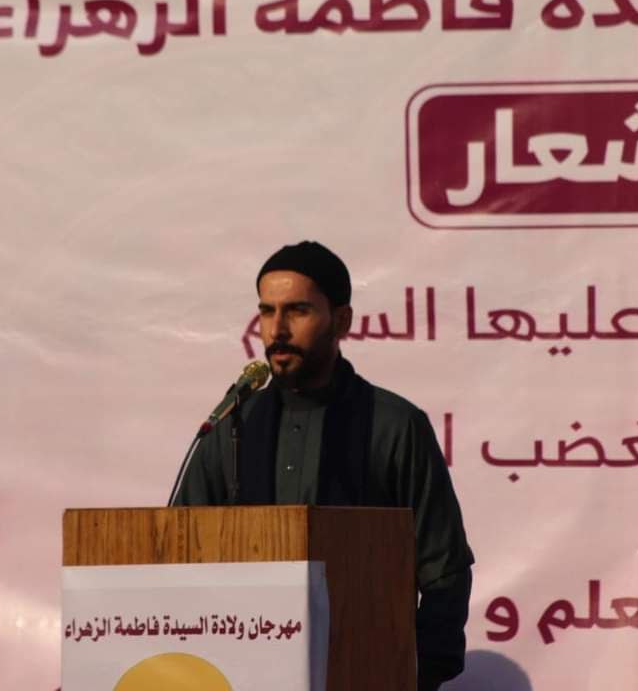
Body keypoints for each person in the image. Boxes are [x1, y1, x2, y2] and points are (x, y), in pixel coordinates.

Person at [172, 241, 473, 690]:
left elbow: (443, 569)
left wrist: (411, 672)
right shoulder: (233, 427)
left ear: (342, 320)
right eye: (267, 312)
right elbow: (180, 556)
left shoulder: (393, 425)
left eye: (298, 311)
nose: (277, 330)